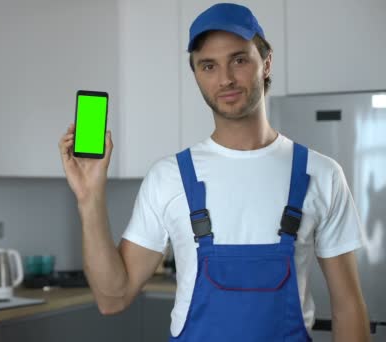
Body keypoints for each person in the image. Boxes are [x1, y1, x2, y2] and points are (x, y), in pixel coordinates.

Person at [58, 3, 370, 341]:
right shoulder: (169, 177)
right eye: (208, 66)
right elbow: (112, 298)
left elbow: (348, 307)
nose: (225, 78)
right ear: (196, 75)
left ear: (265, 63)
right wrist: (90, 198)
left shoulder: (321, 174)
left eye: (238, 59)